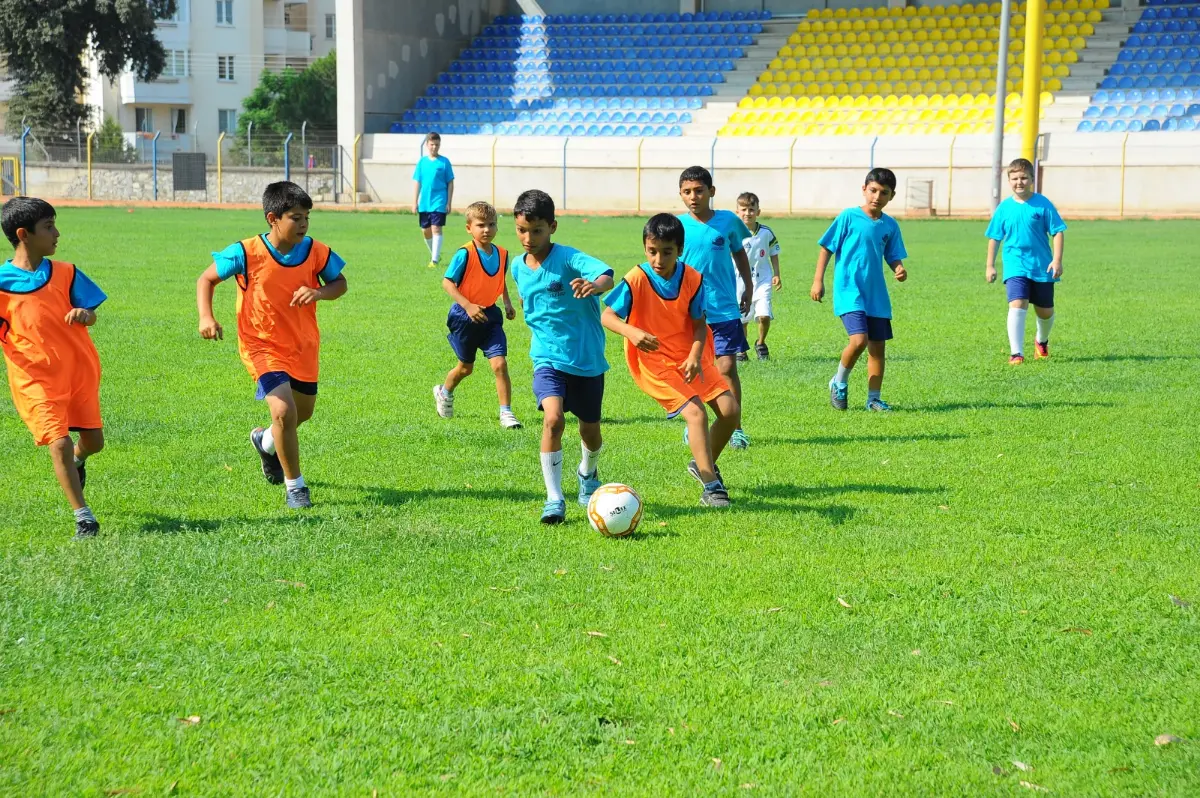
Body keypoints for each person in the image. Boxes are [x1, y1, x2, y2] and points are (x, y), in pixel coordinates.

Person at [196, 181, 349, 509]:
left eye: (307, 217)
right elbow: (206, 279)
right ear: (272, 218)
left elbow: (340, 283)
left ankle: (264, 442)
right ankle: (296, 487)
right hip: (260, 345)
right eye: (296, 217)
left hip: (303, 345)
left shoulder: (316, 251)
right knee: (283, 410)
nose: (304, 224)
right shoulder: (245, 252)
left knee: (301, 414)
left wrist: (319, 292)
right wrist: (206, 317)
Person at [602, 214, 738, 507]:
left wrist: (694, 356)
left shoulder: (692, 278)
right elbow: (607, 316)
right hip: (655, 363)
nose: (658, 259)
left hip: (692, 357)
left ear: (679, 250)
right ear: (645, 247)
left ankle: (702, 463)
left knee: (730, 412)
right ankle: (711, 486)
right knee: (696, 413)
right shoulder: (636, 278)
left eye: (667, 252)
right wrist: (632, 331)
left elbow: (700, 324)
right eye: (652, 251)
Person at [0, 197, 107, 539]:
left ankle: (78, 461)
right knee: (57, 441)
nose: (57, 233)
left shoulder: (66, 271)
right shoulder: (2, 282)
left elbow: (91, 312)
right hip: (33, 379)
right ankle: (84, 517)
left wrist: (84, 314)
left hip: (78, 372)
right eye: (49, 227)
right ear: (23, 234)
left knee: (93, 442)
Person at [510, 189, 615, 525]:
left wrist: (595, 286)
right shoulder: (517, 266)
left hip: (586, 360)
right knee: (553, 420)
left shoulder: (569, 258)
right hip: (547, 359)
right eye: (522, 230)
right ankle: (554, 499)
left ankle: (588, 472)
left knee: (590, 431)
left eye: (536, 230)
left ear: (552, 226)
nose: (528, 238)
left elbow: (607, 275)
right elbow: (530, 299)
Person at [811, 167, 909, 412]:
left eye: (883, 193)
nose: (877, 196)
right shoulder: (848, 217)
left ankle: (873, 398)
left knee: (877, 348)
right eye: (873, 190)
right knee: (859, 340)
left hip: (876, 295)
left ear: (891, 196)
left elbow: (893, 255)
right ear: (864, 190)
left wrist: (899, 268)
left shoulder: (890, 225)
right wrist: (818, 280)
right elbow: (826, 248)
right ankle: (839, 382)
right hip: (849, 290)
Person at [676, 166, 754, 449]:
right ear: (681, 195)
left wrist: (748, 283)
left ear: (711, 192)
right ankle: (695, 423)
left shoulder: (728, 221)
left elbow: (738, 252)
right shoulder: (677, 227)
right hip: (689, 311)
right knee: (694, 368)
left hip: (723, 307)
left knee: (727, 366)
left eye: (699, 191)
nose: (693, 197)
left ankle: (735, 426)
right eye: (687, 192)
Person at [433, 201, 522, 429]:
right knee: (465, 368)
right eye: (481, 225)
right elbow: (447, 283)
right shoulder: (465, 253)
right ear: (468, 228)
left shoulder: (502, 254)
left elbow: (499, 280)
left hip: (490, 315)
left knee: (500, 364)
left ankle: (506, 413)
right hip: (464, 316)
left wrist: (507, 302)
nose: (487, 230)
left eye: (491, 224)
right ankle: (444, 392)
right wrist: (468, 305)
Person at [985, 157, 1067, 364]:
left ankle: (1041, 340)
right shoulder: (1004, 208)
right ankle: (1016, 353)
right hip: (1015, 264)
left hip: (1041, 265)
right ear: (1009, 181)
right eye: (1014, 178)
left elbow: (1057, 232)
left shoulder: (1043, 204)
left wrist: (1057, 260)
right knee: (1017, 303)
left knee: (1045, 311)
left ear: (1032, 179)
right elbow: (995, 237)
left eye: (1023, 177)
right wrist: (990, 265)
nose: (1019, 182)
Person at [734, 191, 782, 361]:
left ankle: (760, 343)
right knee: (742, 319)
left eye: (751, 209)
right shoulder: (733, 233)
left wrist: (776, 274)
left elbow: (774, 252)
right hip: (740, 282)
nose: (748, 213)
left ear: (758, 212)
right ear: (737, 212)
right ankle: (741, 350)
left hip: (762, 280)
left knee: (764, 315)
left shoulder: (765, 233)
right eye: (744, 209)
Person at [412, 132, 455, 269]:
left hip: (439, 200)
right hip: (425, 202)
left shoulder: (444, 162)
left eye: (437, 145)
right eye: (432, 145)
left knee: (436, 228)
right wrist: (414, 202)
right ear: (427, 145)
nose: (434, 147)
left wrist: (448, 202)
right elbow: (417, 182)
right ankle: (434, 254)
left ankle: (434, 260)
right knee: (425, 230)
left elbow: (450, 182)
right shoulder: (422, 162)